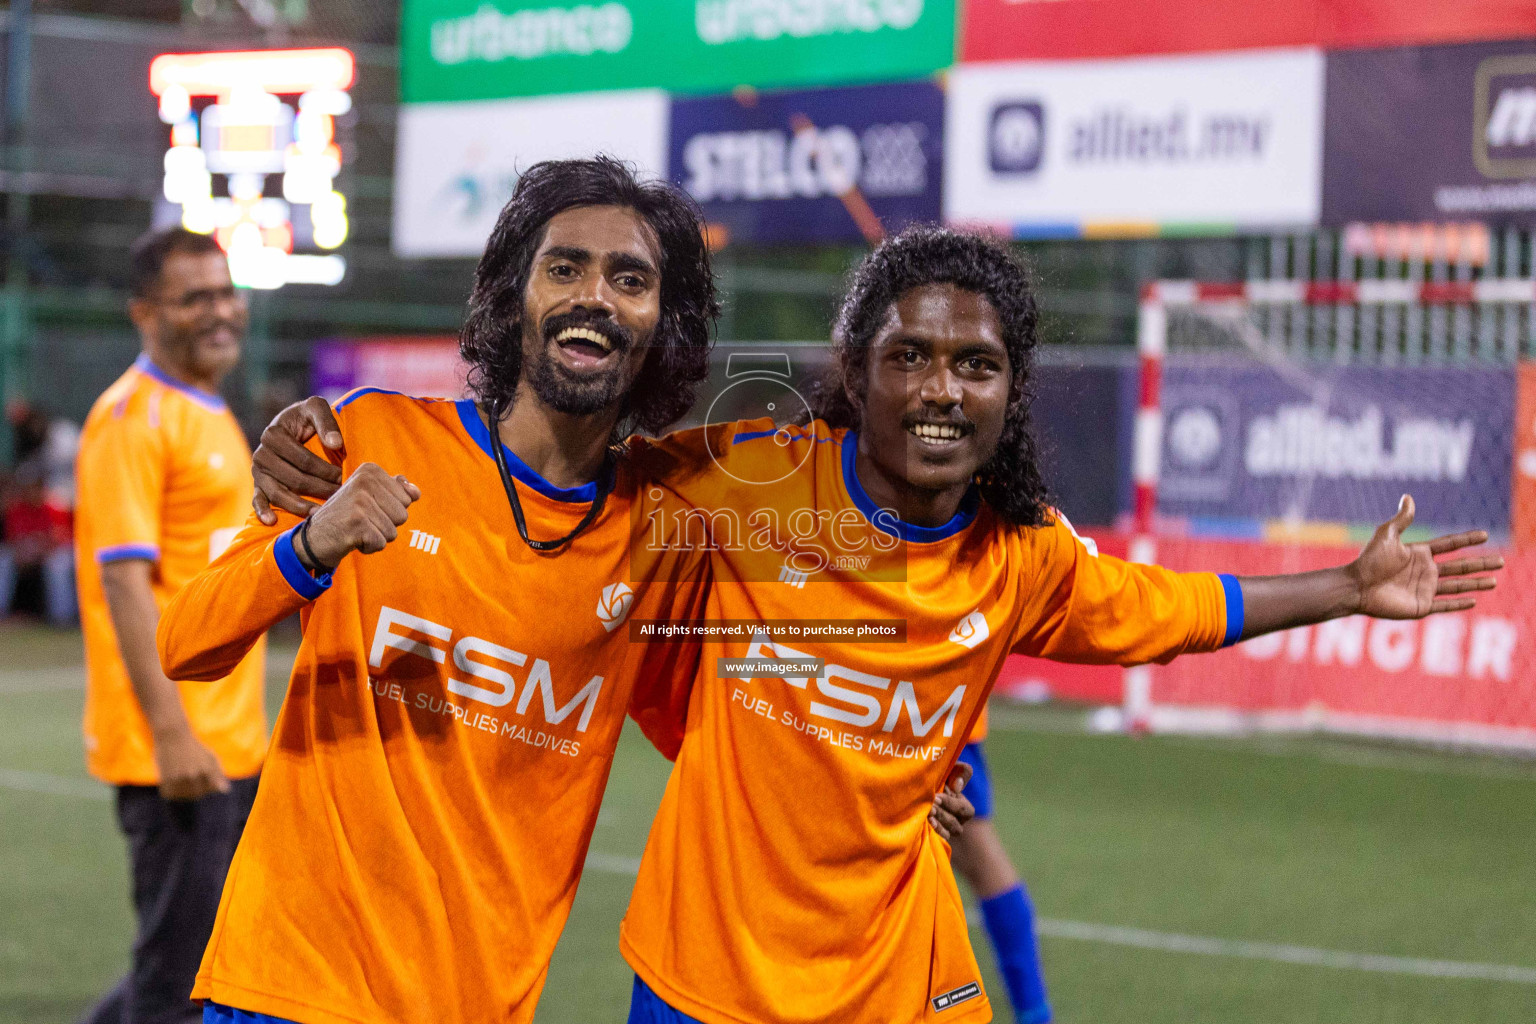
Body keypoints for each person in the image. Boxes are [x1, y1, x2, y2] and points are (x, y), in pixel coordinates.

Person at [251, 226, 1499, 1024]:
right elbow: (561, 468)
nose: (941, 387)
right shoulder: (741, 480)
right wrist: (330, 439)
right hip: (706, 975)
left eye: (976, 364)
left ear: (1012, 393)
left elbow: (1168, 610)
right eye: (910, 356)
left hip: (894, 973)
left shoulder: (1018, 558)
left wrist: (1343, 585)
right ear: (857, 370)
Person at [156, 158, 978, 1024]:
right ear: (514, 299)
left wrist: (884, 774)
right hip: (291, 988)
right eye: (565, 267)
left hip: (484, 1001)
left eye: (631, 279)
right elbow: (187, 644)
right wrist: (311, 545)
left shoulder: (661, 529)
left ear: (663, 325)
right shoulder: (369, 437)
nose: (595, 295)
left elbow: (707, 729)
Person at [73, 227, 266, 1024]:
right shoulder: (131, 418)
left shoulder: (207, 407)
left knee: (206, 955)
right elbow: (124, 582)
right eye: (195, 298)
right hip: (177, 750)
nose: (219, 312)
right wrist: (173, 734)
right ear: (145, 313)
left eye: (225, 292)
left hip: (230, 740)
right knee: (177, 981)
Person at [952, 708, 1050, 1024]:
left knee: (980, 857)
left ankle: (1035, 1014)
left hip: (917, 713)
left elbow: (799, 662)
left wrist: (802, 672)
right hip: (862, 707)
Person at [0, 459, 77, 625]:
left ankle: (61, 618)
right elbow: (13, 541)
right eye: (28, 486)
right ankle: (2, 612)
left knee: (58, 564)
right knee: (4, 559)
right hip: (26, 557)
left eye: (35, 485)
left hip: (52, 554)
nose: (31, 490)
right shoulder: (16, 509)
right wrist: (23, 554)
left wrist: (41, 551)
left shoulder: (55, 507)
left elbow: (61, 540)